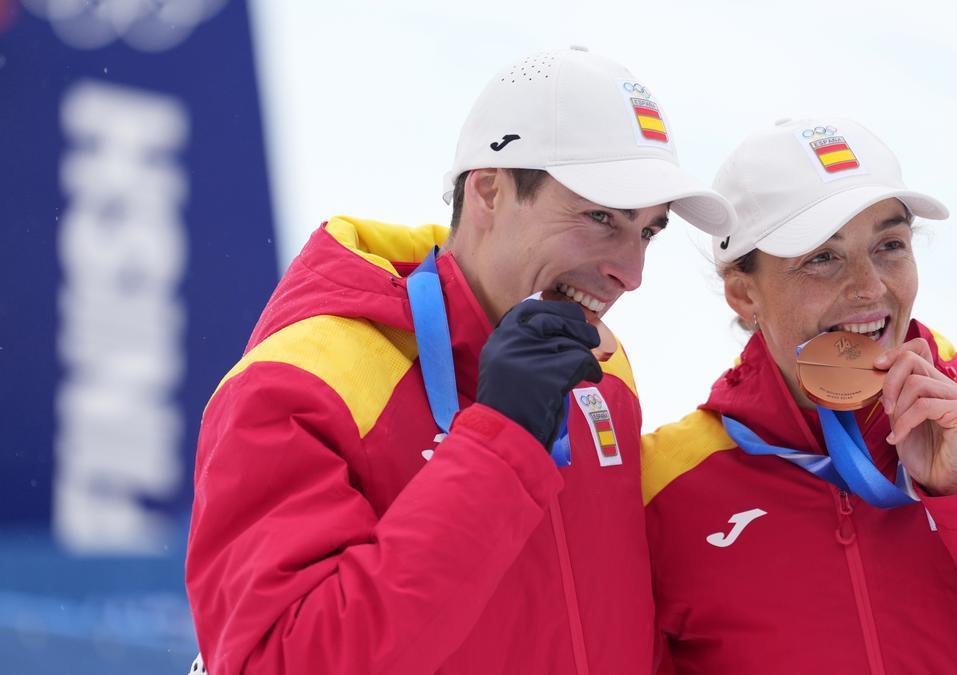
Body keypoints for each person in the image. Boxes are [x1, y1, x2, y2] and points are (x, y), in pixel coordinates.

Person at [184, 46, 733, 674]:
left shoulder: (601, 372)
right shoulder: (302, 382)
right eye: (601, 216)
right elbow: (282, 660)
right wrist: (499, 441)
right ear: (490, 190)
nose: (630, 273)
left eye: (649, 232)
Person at [641, 118, 957, 674]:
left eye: (890, 245)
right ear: (745, 294)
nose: (870, 287)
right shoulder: (665, 482)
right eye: (822, 257)